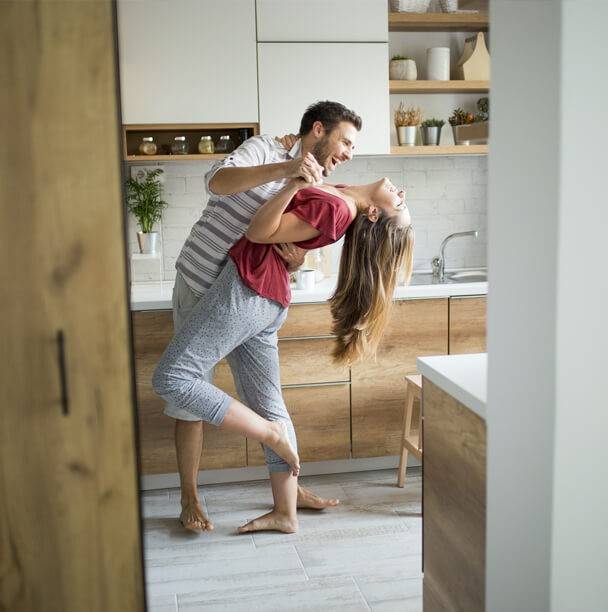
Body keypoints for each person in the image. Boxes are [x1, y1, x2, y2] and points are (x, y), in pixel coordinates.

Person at [153, 172, 414, 534]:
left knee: (172, 378)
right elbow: (289, 229)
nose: (401, 192)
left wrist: (292, 183)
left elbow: (260, 231)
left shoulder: (339, 207)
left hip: (248, 290)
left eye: (398, 203)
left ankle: (269, 434)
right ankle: (285, 512)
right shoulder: (342, 196)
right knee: (270, 403)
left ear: (373, 214)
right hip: (268, 298)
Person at [165, 101, 363, 533]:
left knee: (268, 399)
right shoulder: (264, 148)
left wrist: (293, 262)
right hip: (202, 282)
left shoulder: (319, 182)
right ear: (318, 129)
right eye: (345, 141)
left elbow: (285, 239)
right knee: (186, 393)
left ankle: (290, 493)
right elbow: (217, 182)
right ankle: (189, 494)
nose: (348, 152)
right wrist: (286, 171)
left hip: (246, 295)